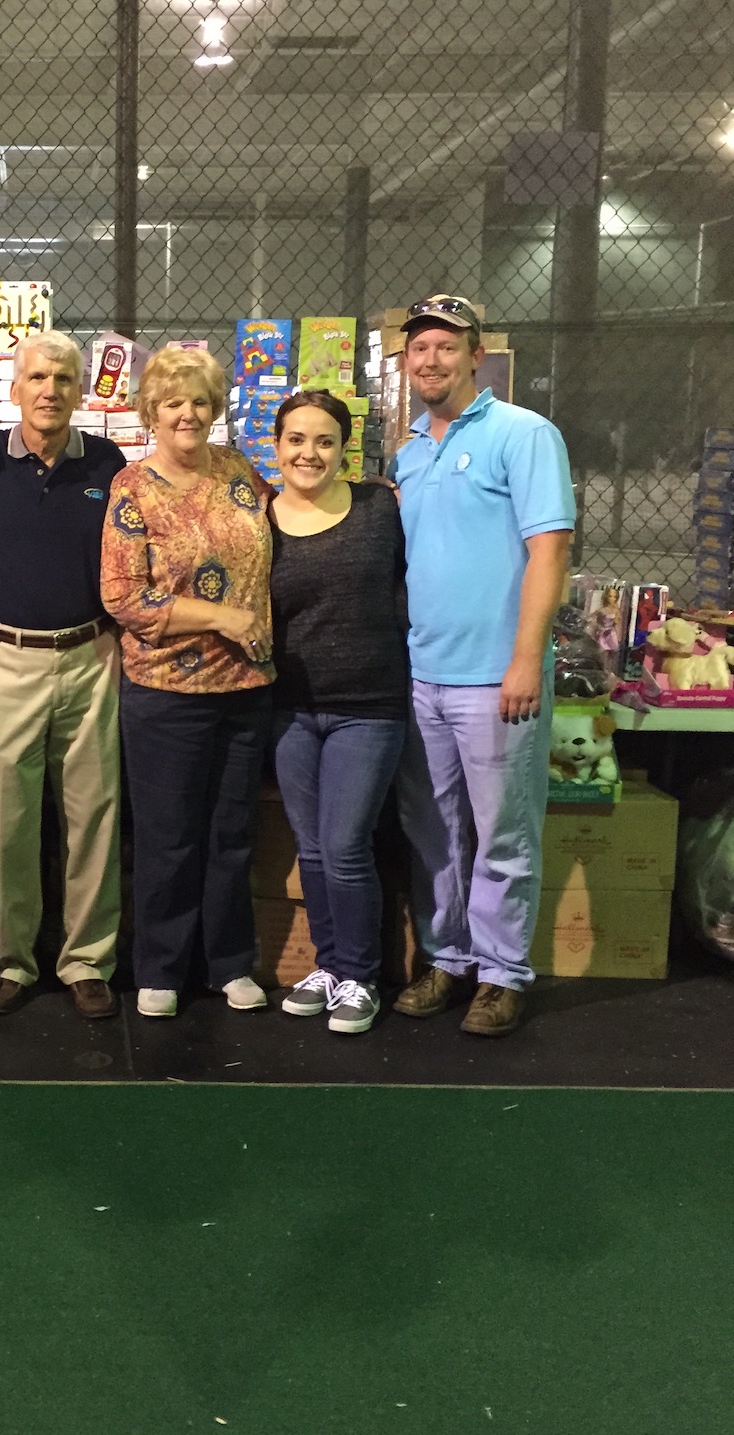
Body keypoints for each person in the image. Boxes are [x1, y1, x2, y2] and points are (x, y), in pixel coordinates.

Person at [389, 294, 574, 1036]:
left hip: (498, 678)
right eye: (418, 349)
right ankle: (447, 956)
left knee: (503, 831)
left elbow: (549, 551)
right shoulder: (409, 450)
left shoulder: (522, 434)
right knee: (434, 829)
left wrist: (526, 658)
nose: (430, 360)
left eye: (445, 346)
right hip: (421, 675)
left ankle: (502, 974)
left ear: (475, 355)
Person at [100, 346, 275, 1018]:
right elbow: (122, 596)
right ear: (151, 411)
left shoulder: (239, 472)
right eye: (174, 402)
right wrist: (221, 616)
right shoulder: (132, 488)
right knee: (169, 836)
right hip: (164, 692)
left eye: (200, 402)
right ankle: (162, 968)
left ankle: (228, 964)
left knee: (231, 833)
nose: (189, 414)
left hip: (246, 686)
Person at [0, 331, 125, 1020]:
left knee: (94, 816)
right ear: (14, 386)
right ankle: (14, 961)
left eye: (63, 379)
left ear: (82, 389)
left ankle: (88, 959)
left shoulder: (110, 461)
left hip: (92, 657)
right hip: (7, 660)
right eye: (37, 378)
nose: (50, 391)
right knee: (10, 820)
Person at [266, 390, 408, 1035]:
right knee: (315, 848)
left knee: (348, 845)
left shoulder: (382, 508)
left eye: (324, 441)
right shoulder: (258, 522)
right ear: (276, 447)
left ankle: (361, 975)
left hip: (368, 708)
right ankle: (329, 966)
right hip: (290, 710)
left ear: (344, 449)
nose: (309, 453)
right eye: (296, 439)